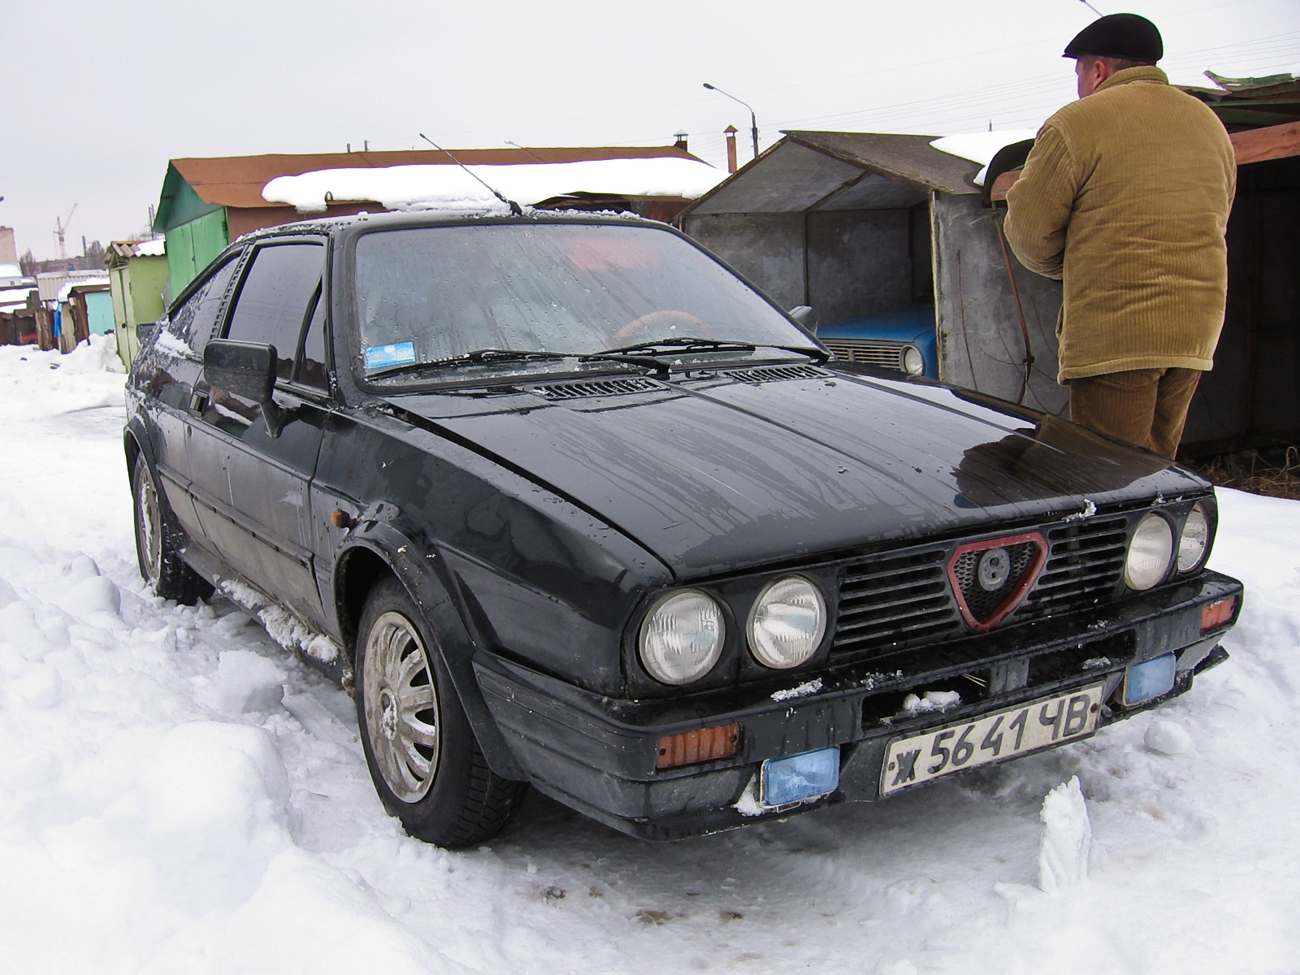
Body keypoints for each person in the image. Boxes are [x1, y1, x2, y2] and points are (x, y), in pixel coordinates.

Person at [1004, 13, 1236, 460]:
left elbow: (1029, 230)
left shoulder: (1077, 122)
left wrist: (1063, 268)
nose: (1078, 83)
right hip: (1195, 332)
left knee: (1107, 474)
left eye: (1078, 72)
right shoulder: (1208, 123)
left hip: (1117, 331)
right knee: (1157, 471)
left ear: (1097, 69)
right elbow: (1218, 214)